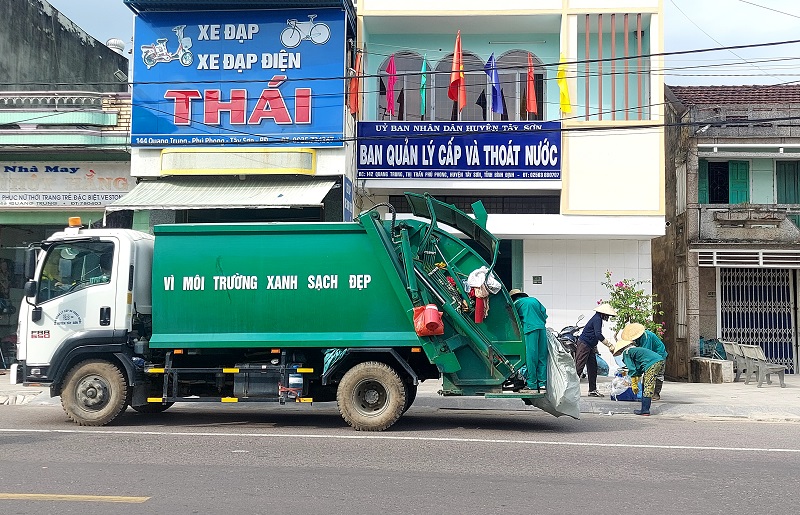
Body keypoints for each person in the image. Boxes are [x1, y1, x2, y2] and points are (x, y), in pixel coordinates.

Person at [612, 338, 665, 416]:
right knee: (645, 384)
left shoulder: (626, 353)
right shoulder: (633, 350)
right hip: (658, 361)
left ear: (620, 350)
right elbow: (638, 368)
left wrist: (634, 383)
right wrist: (637, 379)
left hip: (653, 363)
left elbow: (632, 368)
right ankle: (644, 409)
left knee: (648, 386)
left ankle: (645, 410)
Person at [509, 288, 548, 392]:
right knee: (542, 356)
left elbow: (513, 322)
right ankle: (543, 384)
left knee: (531, 357)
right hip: (542, 328)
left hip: (529, 330)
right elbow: (544, 314)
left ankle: (532, 384)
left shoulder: (516, 304)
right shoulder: (534, 300)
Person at [575, 303, 617, 397]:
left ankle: (592, 390)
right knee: (579, 367)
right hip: (584, 344)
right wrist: (609, 344)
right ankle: (570, 390)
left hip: (590, 346)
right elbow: (598, 334)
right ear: (604, 313)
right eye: (608, 315)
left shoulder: (598, 318)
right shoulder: (597, 319)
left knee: (593, 368)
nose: (608, 317)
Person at [621, 322, 668, 401]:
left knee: (657, 375)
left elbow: (646, 355)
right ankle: (646, 393)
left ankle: (655, 393)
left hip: (659, 354)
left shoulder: (647, 337)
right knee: (647, 375)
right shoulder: (637, 339)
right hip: (652, 356)